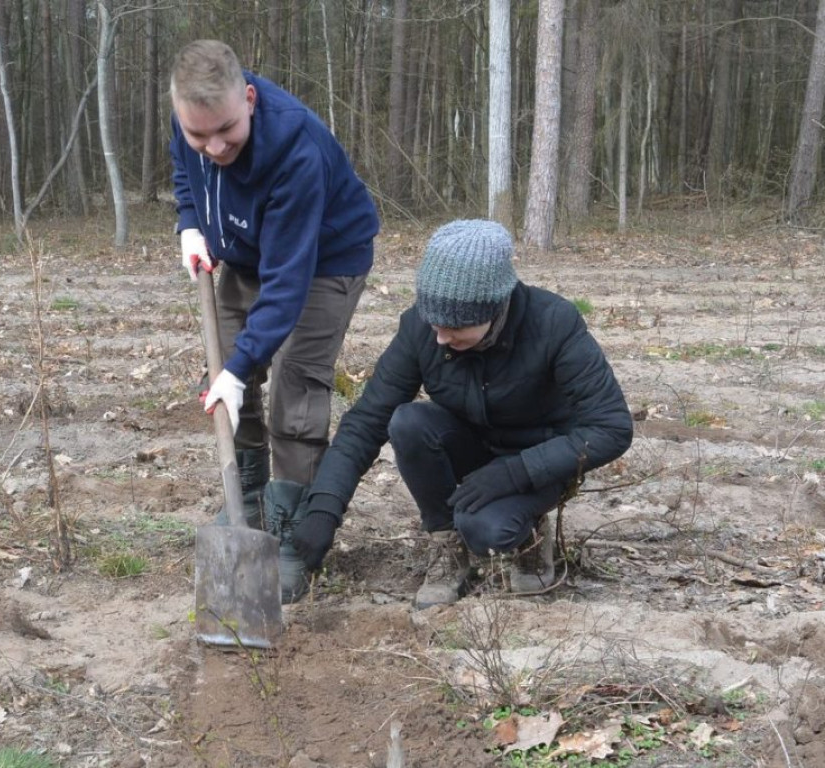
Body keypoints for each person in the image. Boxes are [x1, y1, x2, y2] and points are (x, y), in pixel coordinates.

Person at [289, 219, 634, 607]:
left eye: (454, 327)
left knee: (485, 530)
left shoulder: (554, 323)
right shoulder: (420, 330)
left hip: (541, 460)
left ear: (494, 308)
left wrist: (517, 472)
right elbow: (367, 420)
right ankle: (447, 544)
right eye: (434, 323)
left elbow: (611, 428)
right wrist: (325, 507)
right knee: (408, 422)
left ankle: (531, 535)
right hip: (472, 446)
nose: (440, 338)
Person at [170, 40, 379, 561]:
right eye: (199, 135)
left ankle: (293, 525)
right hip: (246, 253)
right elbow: (186, 171)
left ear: (249, 99)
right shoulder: (192, 119)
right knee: (223, 373)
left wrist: (242, 368)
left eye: (227, 130)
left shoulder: (294, 149)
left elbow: (287, 283)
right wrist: (190, 222)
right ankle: (250, 499)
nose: (215, 146)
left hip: (325, 259)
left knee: (295, 386)